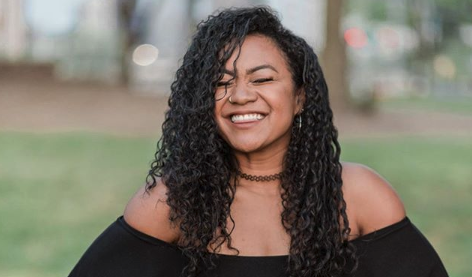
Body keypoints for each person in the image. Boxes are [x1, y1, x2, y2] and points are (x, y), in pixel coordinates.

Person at [69, 6, 448, 277]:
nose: (240, 95)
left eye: (262, 79)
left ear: (300, 97)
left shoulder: (359, 195)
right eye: (221, 82)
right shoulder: (173, 200)